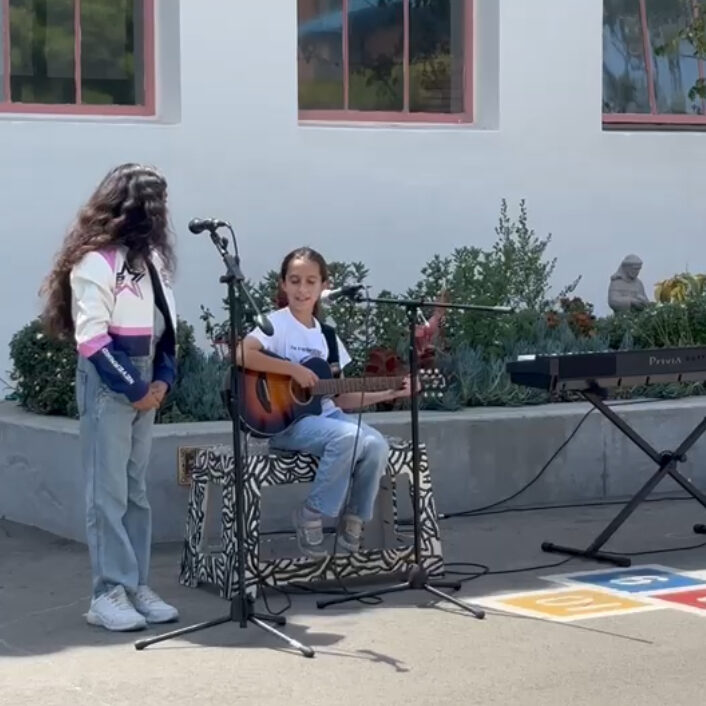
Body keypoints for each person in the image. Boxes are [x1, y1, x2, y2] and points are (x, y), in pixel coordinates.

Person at [39, 163, 180, 632]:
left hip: (145, 381)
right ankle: (107, 593)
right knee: (108, 492)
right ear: (128, 206)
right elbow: (92, 338)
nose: (160, 213)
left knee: (135, 490)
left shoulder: (153, 262)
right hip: (110, 382)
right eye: (153, 203)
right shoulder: (95, 261)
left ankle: (136, 584)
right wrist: (135, 388)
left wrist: (162, 379)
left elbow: (167, 328)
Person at [238, 247, 414, 558]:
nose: (302, 289)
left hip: (328, 418)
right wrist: (292, 370)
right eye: (295, 281)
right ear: (283, 284)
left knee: (376, 445)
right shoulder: (275, 325)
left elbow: (339, 396)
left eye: (310, 281)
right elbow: (242, 354)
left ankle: (354, 520)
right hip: (286, 423)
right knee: (348, 438)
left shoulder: (328, 338)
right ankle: (310, 514)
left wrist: (391, 393)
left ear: (323, 286)